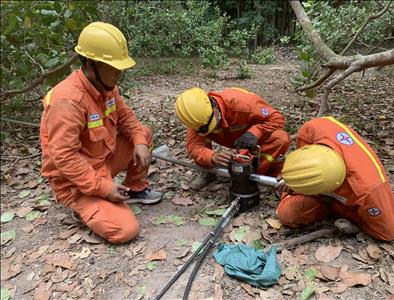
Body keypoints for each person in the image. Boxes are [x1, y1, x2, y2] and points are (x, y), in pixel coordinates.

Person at [40, 22, 162, 244]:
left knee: (142, 133)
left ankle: (135, 189)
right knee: (124, 230)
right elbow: (65, 158)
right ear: (91, 63)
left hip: (102, 162)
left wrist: (140, 142)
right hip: (74, 182)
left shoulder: (106, 87)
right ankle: (82, 207)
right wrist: (104, 188)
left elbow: (126, 118)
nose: (119, 74)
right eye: (113, 67)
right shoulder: (68, 101)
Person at [277, 116, 394, 241]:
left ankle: (337, 207)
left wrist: (338, 206)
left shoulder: (369, 189)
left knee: (380, 223)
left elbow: (387, 234)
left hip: (349, 202)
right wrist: (292, 179)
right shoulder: (311, 130)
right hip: (329, 196)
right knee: (287, 214)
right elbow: (303, 161)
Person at [175, 87, 291, 189]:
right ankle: (208, 172)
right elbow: (194, 147)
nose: (214, 127)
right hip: (230, 139)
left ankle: (256, 171)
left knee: (281, 138)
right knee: (202, 151)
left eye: (213, 123)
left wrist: (255, 133)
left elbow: (277, 118)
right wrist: (212, 157)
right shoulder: (196, 120)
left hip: (251, 138)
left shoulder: (243, 104)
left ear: (212, 105)